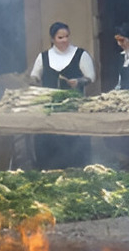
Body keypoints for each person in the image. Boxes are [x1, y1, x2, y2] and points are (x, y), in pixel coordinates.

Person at [28, 22, 96, 169]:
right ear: (52, 39)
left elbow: (90, 77)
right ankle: (48, 170)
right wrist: (32, 81)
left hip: (74, 108)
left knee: (74, 144)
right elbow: (35, 76)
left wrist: (79, 81)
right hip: (49, 111)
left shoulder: (80, 54)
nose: (64, 40)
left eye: (66, 36)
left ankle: (77, 169)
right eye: (60, 37)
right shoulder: (44, 57)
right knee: (48, 142)